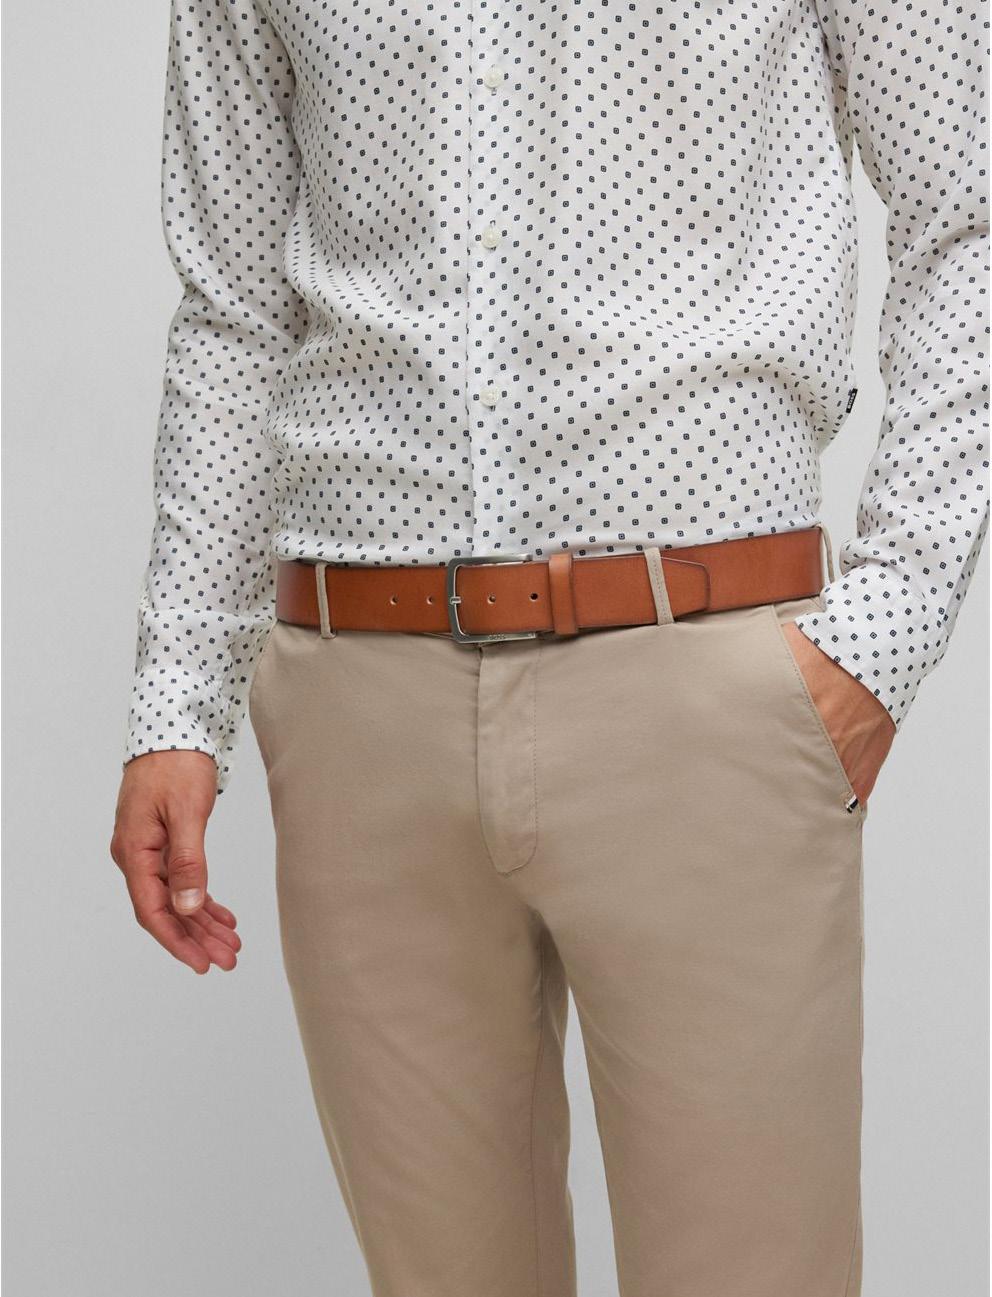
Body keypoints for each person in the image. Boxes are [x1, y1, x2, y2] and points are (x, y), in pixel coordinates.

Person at [109, 0, 989, 1292]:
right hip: (360, 709)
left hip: (705, 693)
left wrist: (881, 633)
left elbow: (966, 213)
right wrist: (177, 704)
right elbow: (235, 310)